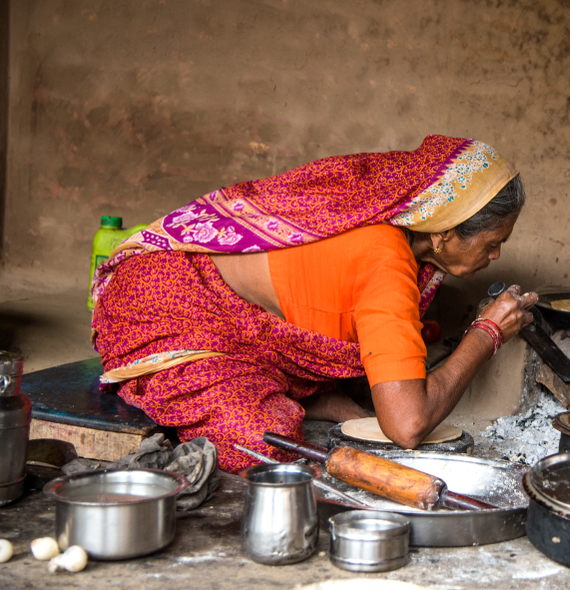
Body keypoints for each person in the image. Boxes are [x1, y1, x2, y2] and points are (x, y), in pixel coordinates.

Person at [90, 134, 538, 472]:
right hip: (164, 300)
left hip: (238, 311)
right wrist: (487, 333)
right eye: (493, 242)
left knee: (391, 359)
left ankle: (304, 393)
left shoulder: (388, 204)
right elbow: (407, 425)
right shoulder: (384, 262)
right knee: (261, 441)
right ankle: (290, 394)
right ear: (442, 229)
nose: (496, 256)